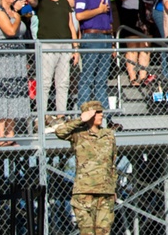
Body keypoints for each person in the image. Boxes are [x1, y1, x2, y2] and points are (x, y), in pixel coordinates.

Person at [55, 100, 118, 235]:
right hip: (84, 192)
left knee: (103, 232)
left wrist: (113, 188)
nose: (101, 115)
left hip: (105, 192)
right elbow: (60, 132)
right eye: (97, 113)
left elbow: (112, 164)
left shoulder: (108, 135)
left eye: (101, 112)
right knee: (87, 231)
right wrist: (80, 120)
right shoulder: (78, 134)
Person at [27, 0, 79, 125]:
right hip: (47, 44)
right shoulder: (41, 2)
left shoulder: (64, 2)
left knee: (63, 82)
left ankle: (60, 115)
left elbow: (70, 25)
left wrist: (75, 48)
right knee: (45, 82)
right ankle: (41, 115)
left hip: (64, 45)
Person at [0, 0, 32, 146]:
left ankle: (10, 134)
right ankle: (1, 136)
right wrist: (18, 15)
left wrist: (15, 13)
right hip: (3, 56)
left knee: (15, 92)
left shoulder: (12, 11)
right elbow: (11, 30)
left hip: (17, 57)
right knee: (2, 93)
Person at [75, 0, 115, 109]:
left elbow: (110, 20)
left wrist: (111, 41)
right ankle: (82, 112)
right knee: (87, 76)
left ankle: (104, 115)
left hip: (105, 36)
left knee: (102, 79)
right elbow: (79, 16)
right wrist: (98, 11)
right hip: (92, 37)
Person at [116, 0, 155, 85]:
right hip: (131, 12)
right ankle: (133, 77)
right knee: (132, 46)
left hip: (146, 12)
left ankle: (143, 75)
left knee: (145, 45)